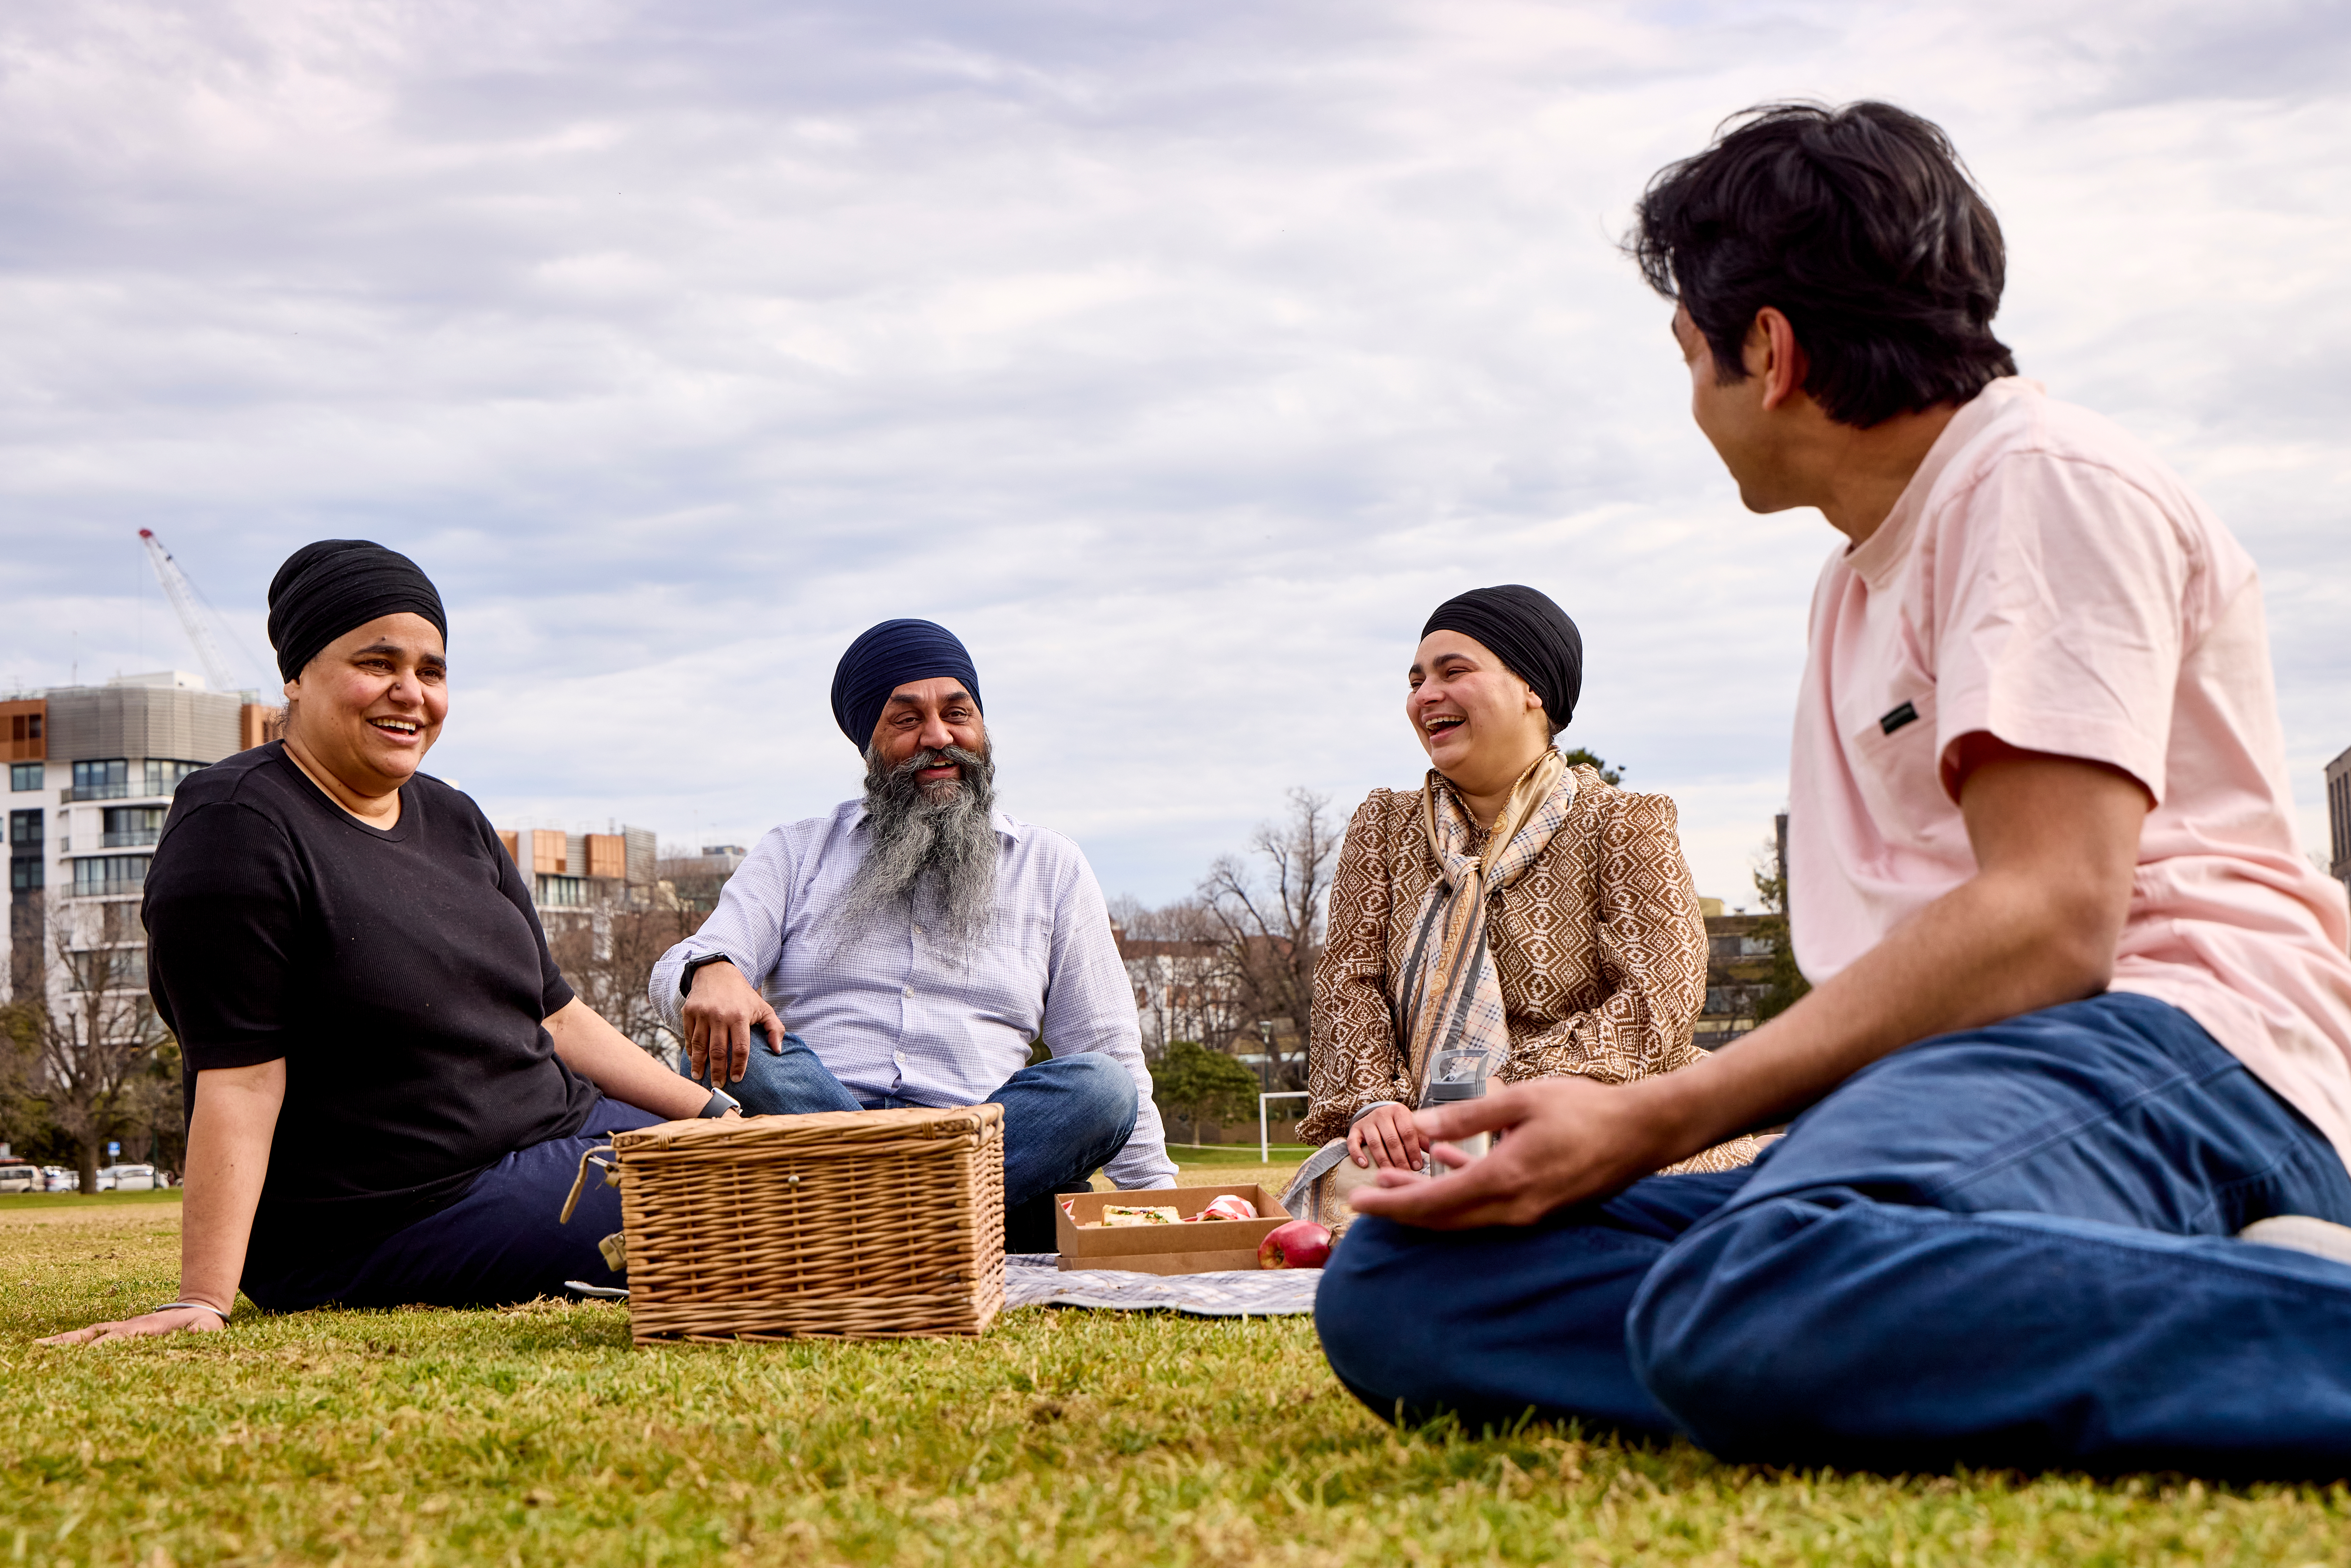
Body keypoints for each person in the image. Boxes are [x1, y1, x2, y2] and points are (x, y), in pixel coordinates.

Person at [1313, 101, 2351, 1475]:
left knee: (1758, 1285)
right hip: (1976, 1093)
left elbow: (2052, 922)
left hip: (2179, 1050)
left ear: (1769, 350)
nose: (1692, 402)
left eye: (1690, 354)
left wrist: (1664, 1109)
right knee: (1404, 1284)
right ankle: (2159, 1294)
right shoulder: (1861, 576)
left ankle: (1886, 1302)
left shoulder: (2038, 482)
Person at [39, 541, 730, 1347]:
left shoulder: (453, 817)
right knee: (735, 1209)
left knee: (782, 1157)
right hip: (394, 1215)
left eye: (432, 672)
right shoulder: (236, 828)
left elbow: (559, 1020)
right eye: (377, 663)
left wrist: (718, 1116)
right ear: (297, 676)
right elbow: (240, 1077)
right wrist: (204, 1299)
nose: (411, 694)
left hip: (560, 1140)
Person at [650, 618, 1175, 1252]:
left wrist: (1167, 1207)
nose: (940, 737)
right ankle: (945, 1222)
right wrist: (711, 969)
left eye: (958, 714)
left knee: (1101, 1086)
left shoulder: (1051, 866)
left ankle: (864, 1223)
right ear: (866, 745)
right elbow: (676, 973)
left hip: (985, 1139)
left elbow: (1109, 1049)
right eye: (907, 721)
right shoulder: (795, 853)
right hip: (821, 1130)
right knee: (721, 1053)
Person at [1290, 585, 1757, 1225]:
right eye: (1417, 679)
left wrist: (1514, 1095)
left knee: (1617, 1188)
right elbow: (1348, 981)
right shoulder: (1384, 826)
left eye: (1455, 672)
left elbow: (1661, 992)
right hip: (1422, 1128)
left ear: (1531, 688)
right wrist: (1376, 1105)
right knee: (1361, 1192)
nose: (1426, 695)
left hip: (1594, 1110)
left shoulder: (1623, 822)